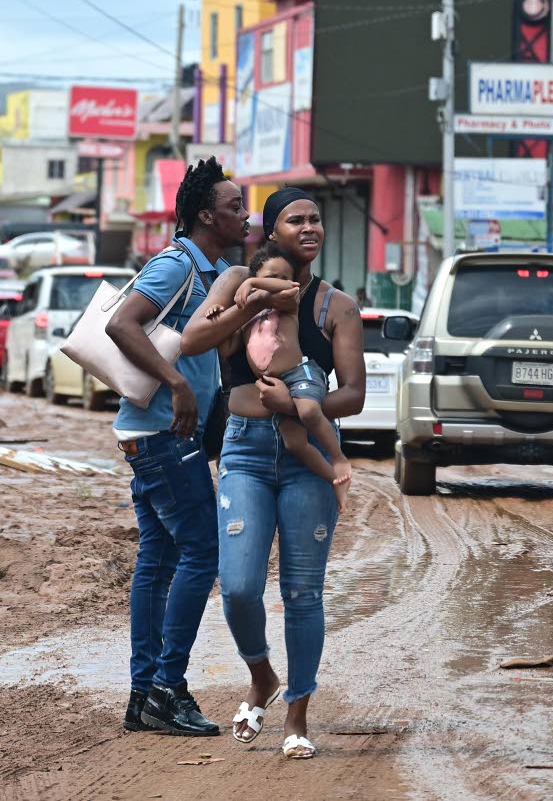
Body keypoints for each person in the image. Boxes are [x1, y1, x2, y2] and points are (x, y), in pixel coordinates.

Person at [180, 187, 365, 760]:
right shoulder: (238, 279)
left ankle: (297, 717)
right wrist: (251, 302)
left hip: (304, 454)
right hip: (244, 454)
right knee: (237, 586)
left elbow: (354, 395)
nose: (309, 227)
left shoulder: (336, 306)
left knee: (303, 592)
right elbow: (194, 339)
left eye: (316, 219)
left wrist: (297, 407)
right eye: (295, 219)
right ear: (269, 230)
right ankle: (262, 675)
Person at [105, 157, 249, 737]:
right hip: (162, 435)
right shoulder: (177, 265)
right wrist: (177, 382)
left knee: (159, 559)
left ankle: (144, 696)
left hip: (152, 436)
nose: (244, 214)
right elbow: (122, 323)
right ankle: (168, 686)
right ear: (205, 215)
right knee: (202, 552)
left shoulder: (207, 268)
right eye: (235, 206)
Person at [203, 243, 352, 511]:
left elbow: (288, 289)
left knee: (308, 411)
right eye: (273, 276)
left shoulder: (289, 305)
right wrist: (220, 315)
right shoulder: (247, 315)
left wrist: (252, 283)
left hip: (301, 375)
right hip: (275, 387)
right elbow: (226, 347)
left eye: (285, 276)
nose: (281, 282)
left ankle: (339, 458)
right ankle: (335, 479)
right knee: (295, 443)